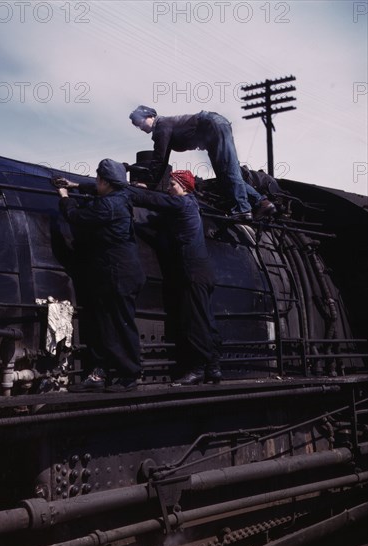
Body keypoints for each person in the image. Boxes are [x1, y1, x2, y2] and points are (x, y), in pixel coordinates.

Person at [56, 159, 145, 392]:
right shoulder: (122, 195)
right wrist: (76, 185)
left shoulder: (108, 206)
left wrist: (64, 196)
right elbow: (96, 189)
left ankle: (129, 375)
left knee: (120, 324)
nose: (96, 182)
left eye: (98, 179)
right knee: (103, 324)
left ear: (105, 181)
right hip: (110, 272)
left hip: (118, 272)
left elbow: (76, 217)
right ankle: (99, 374)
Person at [129, 170, 221, 385]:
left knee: (194, 321)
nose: (169, 188)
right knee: (206, 320)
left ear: (184, 187)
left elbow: (153, 200)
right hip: (202, 271)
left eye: (172, 184)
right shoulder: (190, 206)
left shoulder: (183, 204)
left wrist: (129, 190)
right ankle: (214, 368)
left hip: (192, 272)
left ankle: (197, 369)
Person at [129, 105, 276, 221]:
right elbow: (161, 160)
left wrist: (148, 184)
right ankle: (262, 202)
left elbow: (160, 160)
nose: (139, 127)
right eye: (136, 125)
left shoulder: (161, 126)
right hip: (214, 129)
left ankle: (243, 209)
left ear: (150, 116)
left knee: (229, 172)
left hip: (213, 126)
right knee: (226, 174)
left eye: (139, 122)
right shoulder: (164, 126)